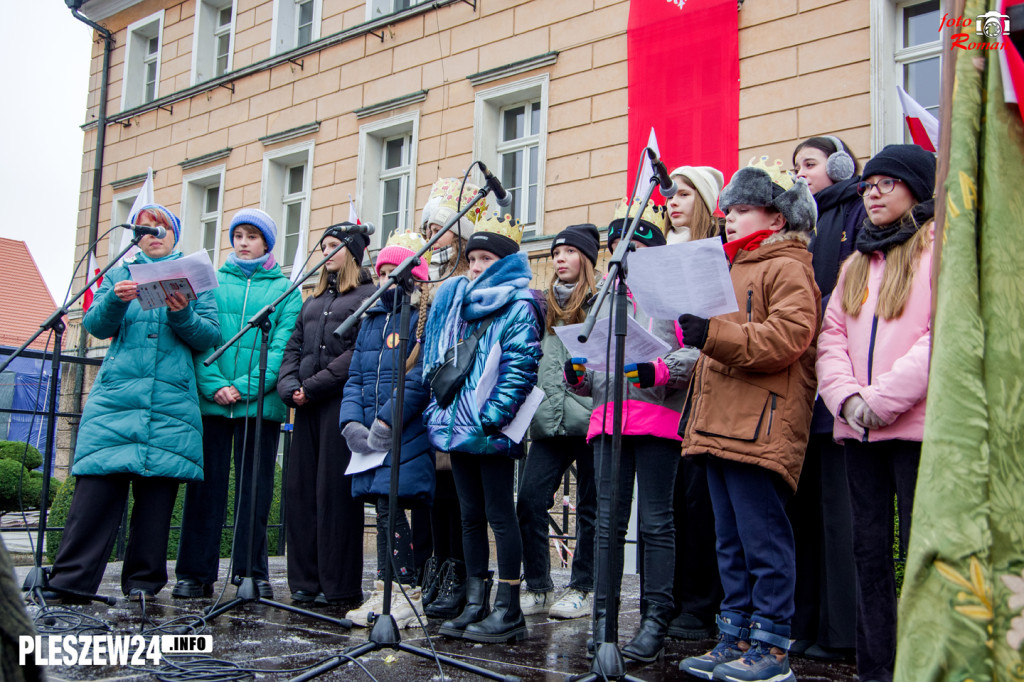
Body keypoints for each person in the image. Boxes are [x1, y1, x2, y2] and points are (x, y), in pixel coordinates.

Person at [677, 158, 820, 682]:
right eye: (727, 208)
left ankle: (773, 648)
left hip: (760, 426)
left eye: (740, 208)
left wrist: (710, 335)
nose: (728, 216)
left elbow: (787, 339)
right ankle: (733, 636)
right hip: (717, 422)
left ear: (777, 218)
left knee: (764, 541)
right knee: (729, 541)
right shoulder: (729, 265)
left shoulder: (789, 266)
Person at [45, 204, 220, 601]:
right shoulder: (119, 273)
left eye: (162, 229)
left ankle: (143, 585)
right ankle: (69, 582)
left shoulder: (195, 278)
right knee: (95, 494)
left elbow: (208, 335)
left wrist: (182, 312)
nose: (153, 235)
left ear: (174, 235)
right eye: (146, 229)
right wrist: (115, 301)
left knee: (156, 504)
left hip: (170, 403)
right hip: (116, 400)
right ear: (137, 237)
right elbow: (94, 326)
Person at [815, 144, 936, 682]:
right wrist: (847, 401)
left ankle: (923, 664)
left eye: (888, 183)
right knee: (868, 554)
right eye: (870, 184)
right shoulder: (856, 263)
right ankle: (875, 667)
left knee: (919, 554)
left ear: (916, 189)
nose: (874, 192)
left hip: (915, 430)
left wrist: (878, 401)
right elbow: (831, 337)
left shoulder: (939, 252)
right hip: (859, 430)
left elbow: (942, 337)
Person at [566, 199, 700, 663]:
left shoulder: (674, 295)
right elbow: (595, 370)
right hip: (608, 421)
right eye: (617, 247)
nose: (623, 256)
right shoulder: (603, 297)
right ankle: (603, 618)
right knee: (606, 524)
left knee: (656, 523)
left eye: (633, 247)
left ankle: (654, 620)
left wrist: (663, 371)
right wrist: (579, 377)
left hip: (659, 419)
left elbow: (699, 353)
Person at [422, 213, 542, 643]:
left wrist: (491, 418)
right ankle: (476, 601)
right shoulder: (462, 305)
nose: (474, 267)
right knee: (470, 516)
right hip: (457, 428)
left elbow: (520, 368)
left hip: (488, 430)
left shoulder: (520, 305)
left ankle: (509, 608)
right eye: (471, 258)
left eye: (485, 258)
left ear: (505, 262)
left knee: (500, 516)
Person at [172, 209, 302, 600]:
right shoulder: (208, 283)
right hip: (213, 404)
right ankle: (195, 574)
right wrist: (215, 386)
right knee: (204, 490)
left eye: (252, 236)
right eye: (238, 235)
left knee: (256, 491)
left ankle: (250, 573)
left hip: (257, 408)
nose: (243, 242)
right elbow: (201, 338)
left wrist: (243, 389)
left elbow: (281, 350)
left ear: (267, 243)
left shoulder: (286, 290)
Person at [786, 135, 866, 658]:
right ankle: (806, 626)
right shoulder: (800, 228)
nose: (800, 174)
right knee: (804, 516)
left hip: (838, 384)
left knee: (840, 517)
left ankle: (843, 636)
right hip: (802, 390)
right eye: (795, 166)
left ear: (838, 167)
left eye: (809, 164)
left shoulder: (856, 211)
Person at [339, 231, 435, 629]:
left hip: (403, 433)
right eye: (380, 273)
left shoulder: (419, 318)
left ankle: (405, 590)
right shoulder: (369, 322)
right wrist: (351, 422)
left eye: (393, 272)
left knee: (391, 505)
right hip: (369, 437)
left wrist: (386, 419)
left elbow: (417, 379)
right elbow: (356, 377)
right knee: (380, 507)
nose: (384, 281)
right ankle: (384, 587)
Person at [277, 224, 375, 607]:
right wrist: (289, 387)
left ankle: (339, 585)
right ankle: (305, 581)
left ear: (351, 252)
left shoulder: (367, 296)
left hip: (339, 403)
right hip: (305, 408)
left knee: (334, 495)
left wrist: (313, 385)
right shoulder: (311, 302)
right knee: (301, 492)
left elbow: (356, 353)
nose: (326, 252)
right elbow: (292, 347)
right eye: (324, 246)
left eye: (334, 246)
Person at [516, 224, 600, 620]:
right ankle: (538, 586)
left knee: (591, 509)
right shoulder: (541, 305)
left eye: (568, 251)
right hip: (549, 421)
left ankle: (583, 587)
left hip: (592, 420)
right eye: (555, 252)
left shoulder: (601, 301)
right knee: (529, 501)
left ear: (586, 258)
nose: (559, 259)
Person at [659, 165, 727, 641]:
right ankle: (679, 598)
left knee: (704, 505)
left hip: (713, 392)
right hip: (673, 400)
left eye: (684, 194)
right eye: (670, 195)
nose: (672, 202)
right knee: (679, 504)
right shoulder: (663, 256)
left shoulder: (717, 255)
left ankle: (704, 605)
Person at [417, 178, 489, 618]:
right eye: (426, 232)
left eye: (438, 231)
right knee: (438, 494)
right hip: (435, 402)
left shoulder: (466, 284)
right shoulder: (433, 285)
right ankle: (442, 563)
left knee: (463, 498)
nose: (431, 240)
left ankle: (463, 572)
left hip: (460, 402)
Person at [665, 165, 725, 244]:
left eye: (684, 194)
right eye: (670, 197)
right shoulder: (655, 241)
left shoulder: (725, 238)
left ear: (703, 201)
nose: (673, 202)